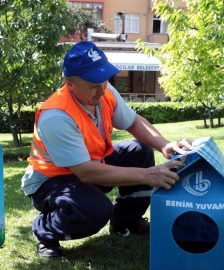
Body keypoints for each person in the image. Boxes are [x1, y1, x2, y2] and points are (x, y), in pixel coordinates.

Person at [21, 41, 194, 258]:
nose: (102, 89)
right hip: (50, 181)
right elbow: (86, 171)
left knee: (140, 151)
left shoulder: (104, 91)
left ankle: (126, 222)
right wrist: (147, 175)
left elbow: (133, 122)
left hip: (91, 165)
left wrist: (164, 145)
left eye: (104, 79)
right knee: (96, 210)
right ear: (70, 84)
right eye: (93, 83)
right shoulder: (56, 116)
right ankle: (44, 230)